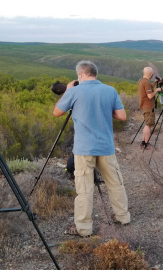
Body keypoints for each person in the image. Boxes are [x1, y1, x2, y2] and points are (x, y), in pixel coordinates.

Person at [53, 60, 130, 237]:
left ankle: (84, 228)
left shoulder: (75, 91)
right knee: (115, 183)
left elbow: (57, 112)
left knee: (85, 189)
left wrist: (68, 91)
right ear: (95, 74)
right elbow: (122, 116)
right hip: (106, 147)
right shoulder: (110, 90)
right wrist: (103, 110)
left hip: (84, 148)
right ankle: (123, 217)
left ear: (80, 75)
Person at [138, 67, 162, 149]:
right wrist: (157, 90)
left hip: (144, 106)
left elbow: (148, 89)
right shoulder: (146, 82)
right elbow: (150, 95)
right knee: (148, 125)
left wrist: (155, 82)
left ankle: (143, 143)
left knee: (147, 124)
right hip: (148, 106)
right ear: (150, 74)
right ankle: (146, 144)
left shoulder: (142, 81)